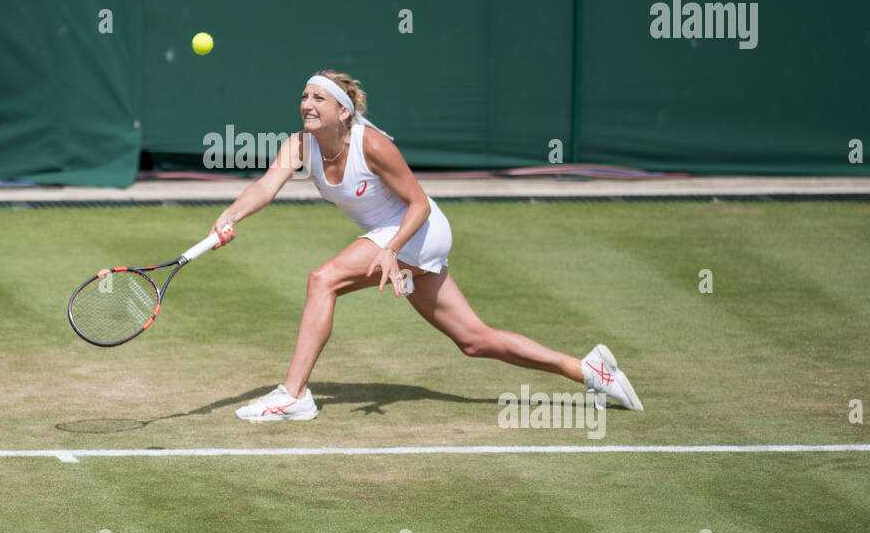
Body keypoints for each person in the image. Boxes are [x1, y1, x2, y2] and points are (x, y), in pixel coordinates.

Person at [210, 70, 643, 421]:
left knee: (322, 281)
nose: (307, 104)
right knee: (475, 340)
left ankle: (294, 394)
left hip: (417, 228)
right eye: (304, 96)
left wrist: (392, 249)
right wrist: (230, 217)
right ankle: (589, 371)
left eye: (318, 99)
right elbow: (266, 187)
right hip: (392, 238)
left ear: (344, 112)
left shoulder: (372, 145)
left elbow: (418, 202)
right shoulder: (301, 144)